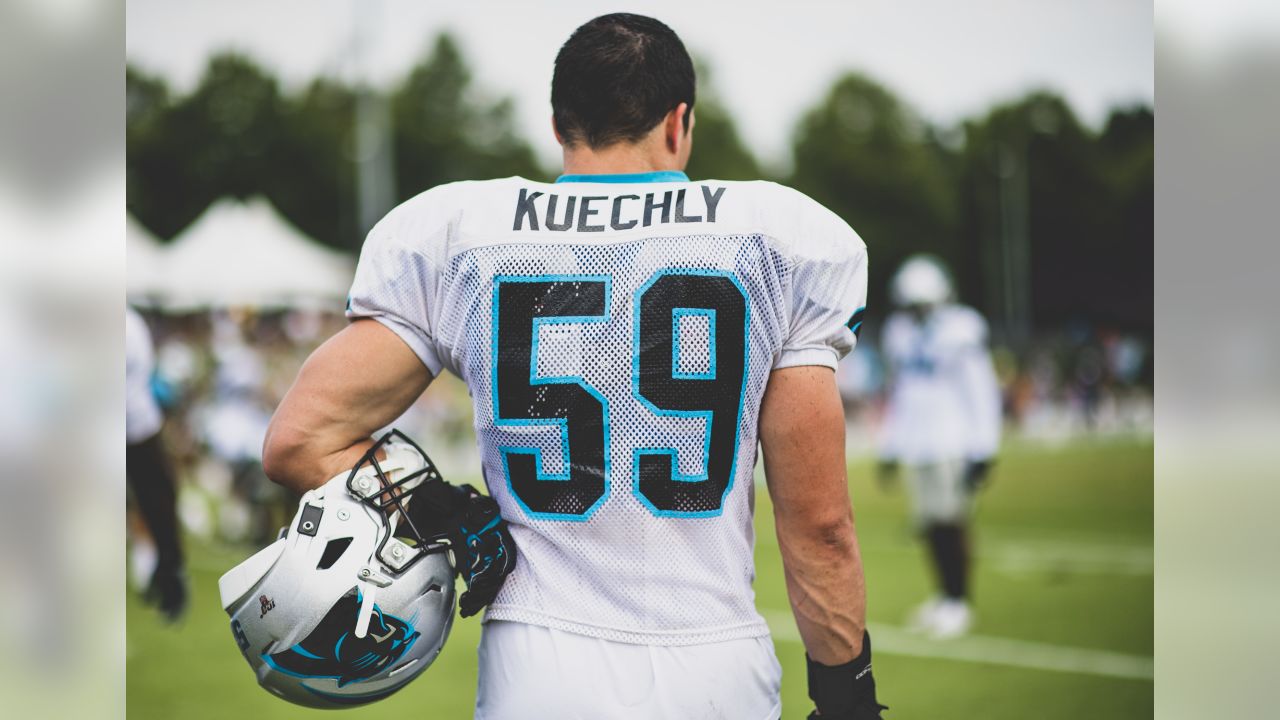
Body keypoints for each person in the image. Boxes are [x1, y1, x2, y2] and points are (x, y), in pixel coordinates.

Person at [263, 13, 884, 719]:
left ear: (560, 125)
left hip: (539, 663)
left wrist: (442, 507)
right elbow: (821, 525)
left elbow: (298, 441)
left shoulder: (461, 236)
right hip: (713, 666)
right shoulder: (776, 241)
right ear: (679, 122)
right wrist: (847, 694)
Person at [877, 255, 1001, 639]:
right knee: (930, 526)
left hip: (952, 440)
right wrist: (891, 447)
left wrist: (984, 446)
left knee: (952, 522)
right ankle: (942, 596)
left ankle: (959, 600)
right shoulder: (899, 333)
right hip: (918, 443)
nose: (917, 312)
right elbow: (901, 393)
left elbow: (981, 389)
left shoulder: (961, 330)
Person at [126, 307, 188, 622]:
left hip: (135, 427)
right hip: (135, 426)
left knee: (158, 505)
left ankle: (168, 576)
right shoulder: (131, 322)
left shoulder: (129, 324)